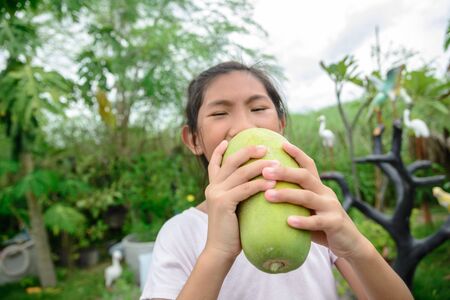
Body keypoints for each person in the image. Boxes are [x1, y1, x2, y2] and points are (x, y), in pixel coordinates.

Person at [140, 61, 413, 300]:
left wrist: (355, 247)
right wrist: (218, 252)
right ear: (194, 139)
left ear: (281, 125)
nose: (245, 126)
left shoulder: (311, 211)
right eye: (220, 113)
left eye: (258, 108)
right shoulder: (180, 233)